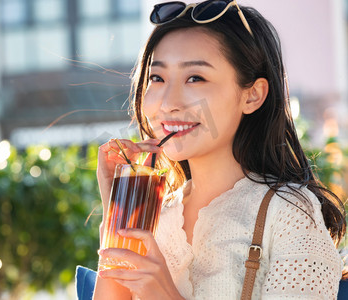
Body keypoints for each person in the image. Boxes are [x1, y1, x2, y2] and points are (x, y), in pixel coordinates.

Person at [93, 1, 346, 299]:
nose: (167, 103)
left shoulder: (289, 213)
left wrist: (162, 293)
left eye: (195, 78)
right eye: (157, 78)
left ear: (252, 95)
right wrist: (120, 212)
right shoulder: (155, 217)